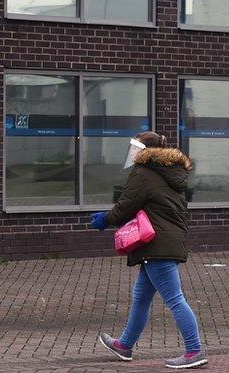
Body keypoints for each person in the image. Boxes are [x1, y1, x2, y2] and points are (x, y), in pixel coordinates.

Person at [90, 131, 207, 369]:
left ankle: (194, 350)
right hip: (165, 241)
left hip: (156, 243)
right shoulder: (171, 172)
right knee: (141, 298)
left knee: (174, 299)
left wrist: (106, 219)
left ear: (146, 151)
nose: (132, 153)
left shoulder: (144, 173)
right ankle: (125, 345)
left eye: (136, 148)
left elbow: (126, 205)